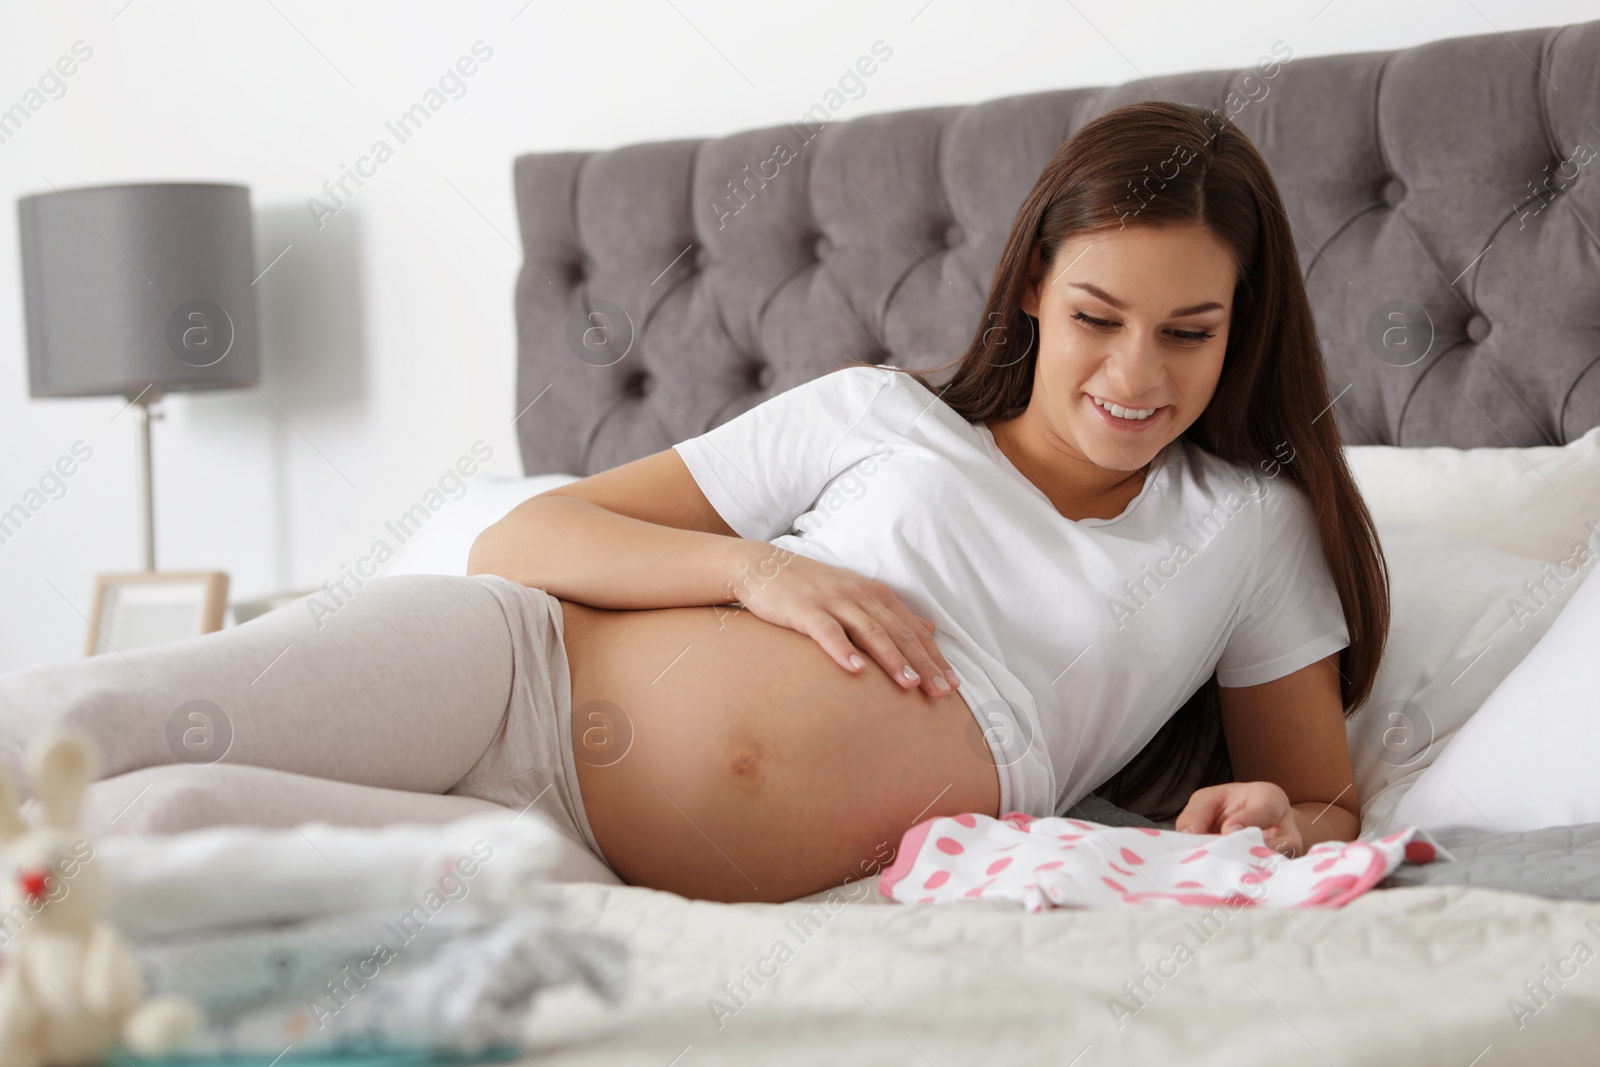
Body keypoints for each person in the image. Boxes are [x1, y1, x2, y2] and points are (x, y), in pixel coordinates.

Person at [0, 100, 1388, 906]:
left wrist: (1275, 816)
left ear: (1241, 327)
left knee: (160, 824)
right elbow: (523, 536)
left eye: (1190, 332)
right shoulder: (879, 415)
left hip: (571, 861)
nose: (1135, 374)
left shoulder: (1244, 530)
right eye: (1098, 316)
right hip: (508, 670)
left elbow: (1327, 805)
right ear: (1032, 284)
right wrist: (757, 576)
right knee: (80, 723)